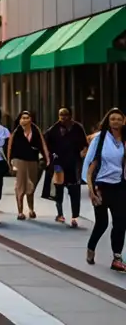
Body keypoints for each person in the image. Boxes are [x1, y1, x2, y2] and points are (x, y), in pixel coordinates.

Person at [83, 108, 126, 270]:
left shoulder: (124, 140)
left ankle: (117, 257)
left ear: (123, 121)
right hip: (101, 186)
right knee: (102, 223)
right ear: (108, 121)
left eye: (118, 119)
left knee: (121, 222)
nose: (116, 122)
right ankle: (91, 247)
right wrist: (91, 190)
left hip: (120, 186)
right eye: (112, 119)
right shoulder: (100, 139)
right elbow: (90, 168)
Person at [46, 107, 88, 227]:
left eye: (65, 114)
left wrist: (83, 152)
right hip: (59, 163)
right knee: (59, 188)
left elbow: (84, 143)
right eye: (60, 115)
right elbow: (46, 143)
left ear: (70, 115)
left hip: (74, 163)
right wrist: (50, 156)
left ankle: (75, 216)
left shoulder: (77, 128)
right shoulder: (54, 129)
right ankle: (60, 214)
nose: (63, 117)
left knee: (74, 190)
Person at [8, 110, 50, 220]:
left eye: (27, 117)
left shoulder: (36, 131)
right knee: (21, 185)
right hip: (19, 159)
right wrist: (9, 162)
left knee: (31, 185)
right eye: (23, 118)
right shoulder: (16, 132)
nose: (25, 120)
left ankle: (31, 209)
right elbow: (10, 147)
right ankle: (20, 211)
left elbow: (42, 145)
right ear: (19, 119)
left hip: (32, 160)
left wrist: (47, 159)